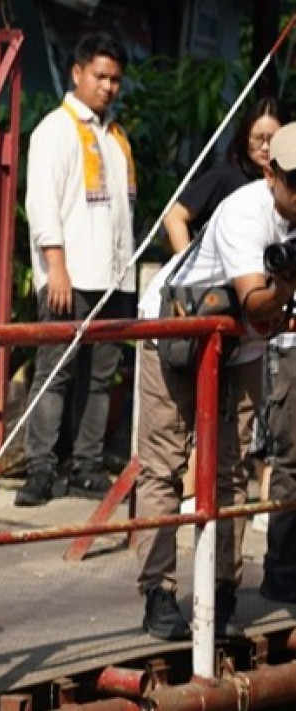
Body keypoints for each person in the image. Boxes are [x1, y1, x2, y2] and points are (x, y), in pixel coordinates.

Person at [132, 122, 296, 641]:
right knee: (164, 465)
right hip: (176, 332)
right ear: (273, 173)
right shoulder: (247, 212)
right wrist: (289, 279)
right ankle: (159, 591)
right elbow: (256, 299)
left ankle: (222, 588)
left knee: (232, 470)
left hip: (240, 344)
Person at [16, 32, 136, 507]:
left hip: (112, 275)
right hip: (69, 271)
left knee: (102, 375)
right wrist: (55, 266)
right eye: (100, 76)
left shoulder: (115, 135)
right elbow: (42, 203)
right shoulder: (56, 129)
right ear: (78, 73)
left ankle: (87, 465)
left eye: (115, 79)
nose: (108, 87)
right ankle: (41, 468)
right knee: (55, 373)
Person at [163, 98, 285, 253]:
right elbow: (174, 217)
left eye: (273, 139)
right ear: (245, 137)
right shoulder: (226, 176)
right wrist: (188, 268)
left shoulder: (287, 183)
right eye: (258, 139)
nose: (266, 147)